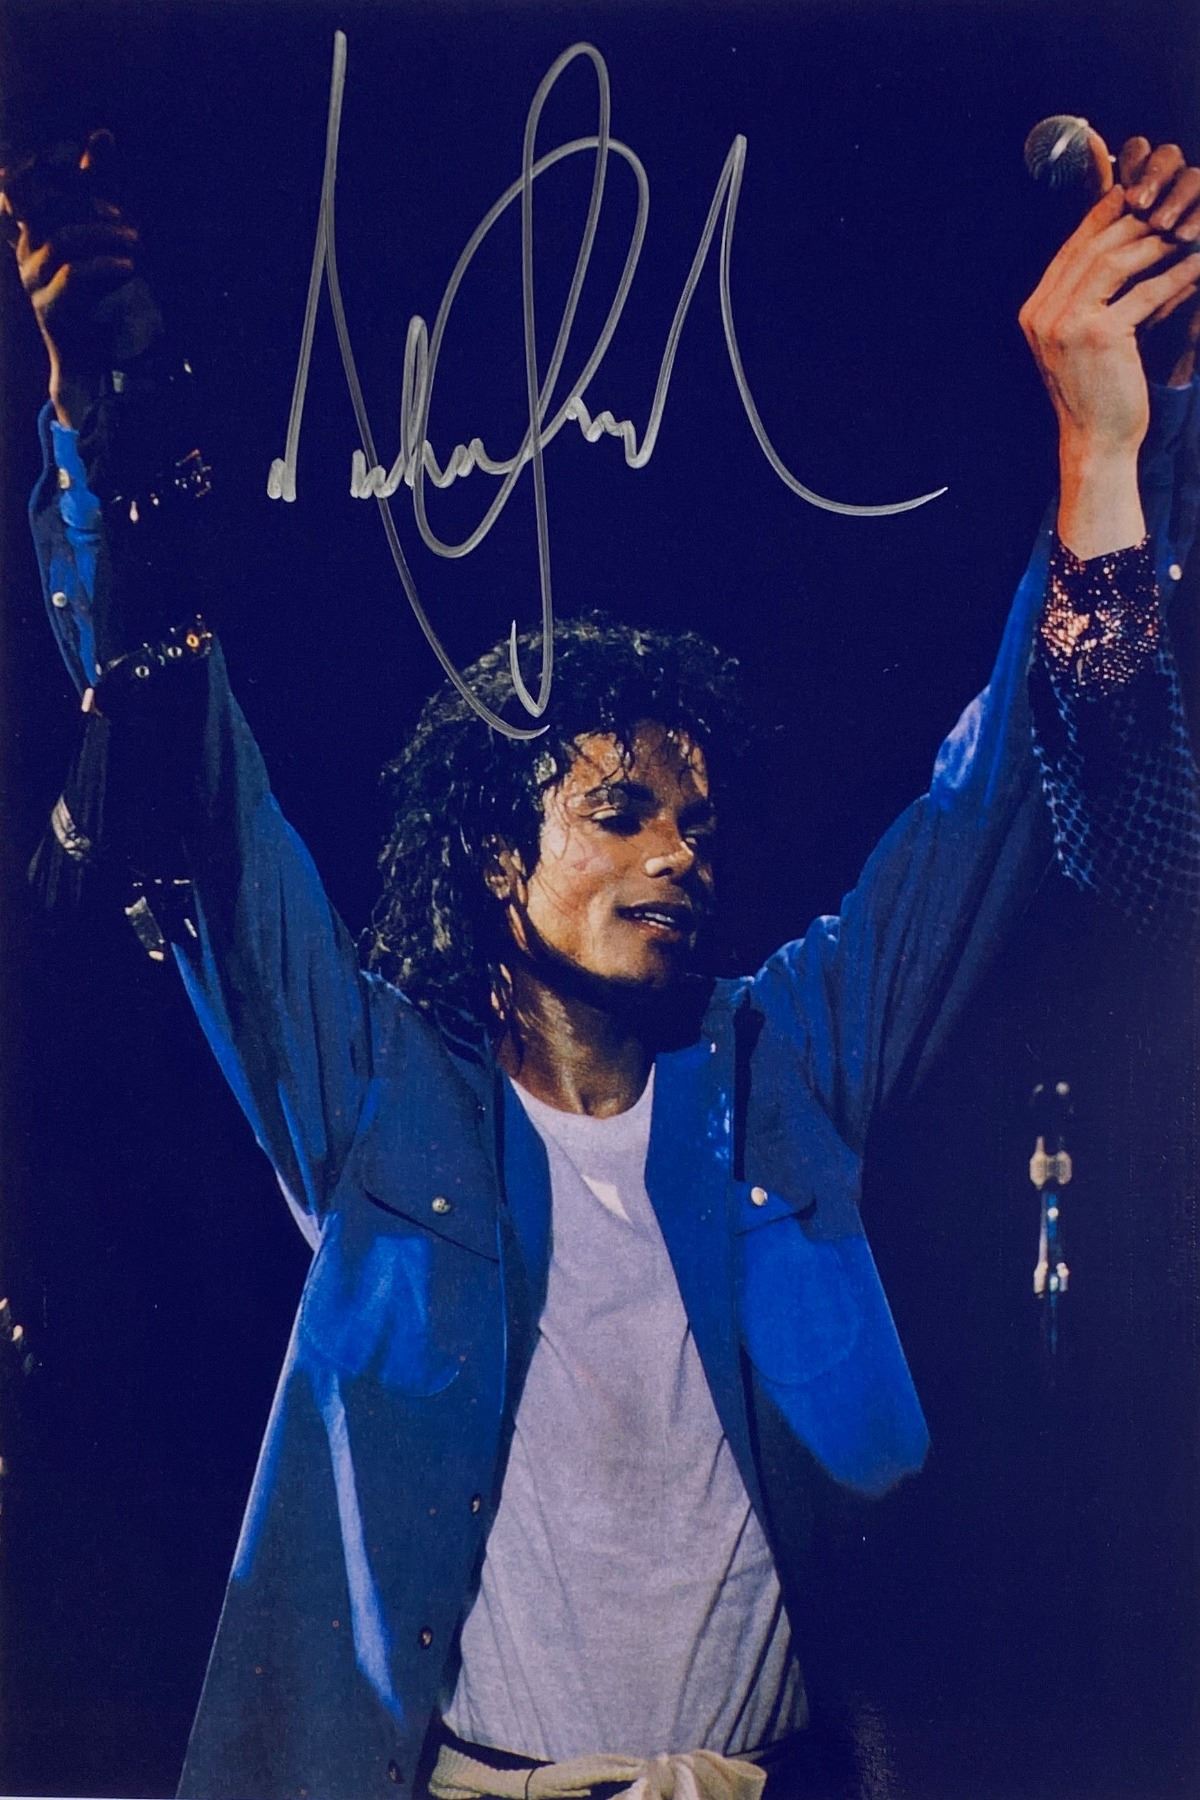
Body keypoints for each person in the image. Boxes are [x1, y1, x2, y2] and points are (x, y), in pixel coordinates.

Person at [6, 131, 1200, 1800]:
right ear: (501, 862)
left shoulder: (784, 1068)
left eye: (696, 825)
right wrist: (107, 421)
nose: (677, 855)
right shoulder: (378, 1099)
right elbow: (194, 784)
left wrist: (1116, 438)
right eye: (621, 813)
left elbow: (992, 790)